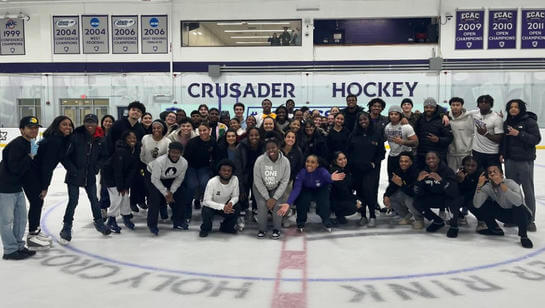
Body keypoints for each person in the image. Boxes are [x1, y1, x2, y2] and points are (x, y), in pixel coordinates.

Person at [22, 115, 73, 251]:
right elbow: (47, 166)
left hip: (35, 174)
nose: (68, 127)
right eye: (64, 124)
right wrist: (45, 187)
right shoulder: (55, 141)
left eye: (69, 124)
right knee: (37, 202)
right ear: (57, 126)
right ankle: (32, 236)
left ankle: (35, 232)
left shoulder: (58, 139)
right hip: (31, 175)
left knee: (37, 202)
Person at [59, 114, 111, 244]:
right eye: (87, 122)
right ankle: (67, 227)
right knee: (73, 201)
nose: (90, 125)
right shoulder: (75, 136)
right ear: (83, 123)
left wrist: (96, 167)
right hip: (74, 175)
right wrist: (72, 170)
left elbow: (104, 156)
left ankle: (99, 223)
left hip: (90, 175)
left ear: (96, 124)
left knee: (94, 200)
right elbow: (65, 156)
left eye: (92, 122)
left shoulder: (100, 139)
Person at [0, 116, 40, 260]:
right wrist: (29, 156)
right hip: (5, 188)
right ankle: (10, 250)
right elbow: (14, 168)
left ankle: (18, 246)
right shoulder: (17, 144)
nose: (34, 130)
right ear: (22, 130)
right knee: (6, 220)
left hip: (17, 187)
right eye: (30, 127)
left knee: (21, 219)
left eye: (36, 128)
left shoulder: (28, 143)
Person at [501, 99, 541, 232]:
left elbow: (536, 139)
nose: (513, 109)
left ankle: (530, 220)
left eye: (516, 107)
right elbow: (505, 141)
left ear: (521, 108)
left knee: (528, 191)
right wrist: (502, 154)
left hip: (524, 161)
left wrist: (518, 133)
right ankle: (514, 218)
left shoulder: (529, 121)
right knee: (512, 190)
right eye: (511, 107)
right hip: (510, 161)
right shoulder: (507, 122)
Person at [473, 165, 533, 248]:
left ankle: (524, 236)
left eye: (495, 171)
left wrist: (501, 184)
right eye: (490, 173)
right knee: (486, 204)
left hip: (523, 216)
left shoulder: (511, 183)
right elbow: (477, 204)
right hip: (505, 215)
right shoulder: (488, 187)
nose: (492, 174)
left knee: (519, 207)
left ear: (501, 174)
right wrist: (479, 185)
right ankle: (494, 229)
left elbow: (518, 202)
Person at [282, 154, 345, 232]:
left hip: (321, 189)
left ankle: (326, 221)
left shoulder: (322, 171)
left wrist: (331, 178)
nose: (309, 164)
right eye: (307, 162)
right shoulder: (302, 173)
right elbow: (296, 189)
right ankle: (301, 222)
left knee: (324, 201)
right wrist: (288, 203)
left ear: (317, 164)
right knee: (302, 201)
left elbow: (327, 177)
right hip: (307, 189)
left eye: (312, 162)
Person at [346, 112, 385, 227]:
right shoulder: (353, 135)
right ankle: (363, 215)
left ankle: (372, 215)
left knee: (369, 191)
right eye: (360, 120)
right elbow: (349, 152)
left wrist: (374, 164)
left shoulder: (376, 134)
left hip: (371, 169)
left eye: (365, 119)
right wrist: (353, 164)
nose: (363, 121)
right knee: (360, 192)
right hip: (357, 169)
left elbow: (381, 153)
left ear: (369, 120)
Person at [413, 151, 463, 238]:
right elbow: (418, 193)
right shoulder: (423, 172)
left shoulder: (447, 171)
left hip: (448, 197)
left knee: (453, 202)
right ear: (425, 161)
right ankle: (438, 221)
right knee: (417, 202)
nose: (431, 160)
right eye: (428, 158)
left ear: (439, 159)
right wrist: (418, 182)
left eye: (433, 158)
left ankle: (454, 226)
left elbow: (454, 192)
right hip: (435, 197)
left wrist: (441, 180)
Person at [147, 142, 188, 235]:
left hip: (170, 178)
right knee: (155, 198)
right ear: (169, 152)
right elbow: (155, 179)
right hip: (152, 175)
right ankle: (152, 224)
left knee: (180, 194)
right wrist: (166, 193)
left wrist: (172, 192)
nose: (175, 155)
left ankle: (178, 221)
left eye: (177, 153)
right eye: (173, 152)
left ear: (181, 153)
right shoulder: (160, 161)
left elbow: (179, 179)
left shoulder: (184, 162)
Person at [253, 137, 291, 239]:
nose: (271, 150)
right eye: (268, 148)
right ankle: (262, 229)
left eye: (273, 147)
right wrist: (267, 198)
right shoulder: (259, 160)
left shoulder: (285, 161)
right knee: (262, 206)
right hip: (260, 187)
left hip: (276, 187)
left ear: (278, 147)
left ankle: (276, 229)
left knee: (278, 205)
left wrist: (274, 198)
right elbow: (257, 180)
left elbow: (284, 182)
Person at [102, 130, 139, 233]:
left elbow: (130, 170)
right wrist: (121, 187)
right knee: (117, 197)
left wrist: (126, 186)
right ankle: (111, 220)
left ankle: (126, 216)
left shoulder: (134, 150)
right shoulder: (121, 151)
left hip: (121, 178)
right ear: (125, 139)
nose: (133, 140)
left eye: (134, 138)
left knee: (125, 197)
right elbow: (117, 170)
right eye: (130, 138)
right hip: (111, 178)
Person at [199, 160, 240, 237]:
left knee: (237, 207)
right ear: (219, 171)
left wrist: (230, 203)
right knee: (206, 210)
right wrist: (222, 207)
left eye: (229, 171)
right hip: (212, 207)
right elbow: (206, 201)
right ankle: (205, 228)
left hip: (226, 206)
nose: (226, 173)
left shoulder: (235, 179)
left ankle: (226, 227)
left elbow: (235, 196)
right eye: (224, 170)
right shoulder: (212, 182)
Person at [383, 152, 423, 228]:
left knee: (409, 199)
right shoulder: (398, 171)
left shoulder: (416, 173)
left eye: (406, 161)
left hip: (418, 198)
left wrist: (401, 184)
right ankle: (407, 216)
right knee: (391, 197)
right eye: (401, 161)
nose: (403, 163)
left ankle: (419, 219)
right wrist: (386, 196)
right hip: (407, 193)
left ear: (411, 162)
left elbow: (414, 192)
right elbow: (392, 186)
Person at [140, 119, 171, 219]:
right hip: (148, 168)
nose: (156, 130)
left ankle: (163, 208)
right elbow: (142, 154)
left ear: (163, 129)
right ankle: (153, 213)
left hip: (162, 171)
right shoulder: (145, 138)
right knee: (151, 192)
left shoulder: (167, 141)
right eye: (154, 128)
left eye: (159, 128)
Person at [183, 122, 217, 211]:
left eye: (204, 130)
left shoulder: (213, 141)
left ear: (209, 130)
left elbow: (216, 156)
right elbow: (185, 158)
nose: (202, 132)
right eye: (200, 130)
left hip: (204, 167)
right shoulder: (192, 142)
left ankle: (204, 204)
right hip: (191, 167)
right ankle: (187, 208)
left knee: (205, 184)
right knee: (192, 185)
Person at [233, 127, 262, 227]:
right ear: (248, 136)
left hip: (258, 174)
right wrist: (240, 184)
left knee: (257, 193)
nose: (254, 137)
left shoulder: (263, 146)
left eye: (256, 135)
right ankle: (242, 211)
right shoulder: (241, 147)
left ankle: (256, 210)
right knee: (243, 193)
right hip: (244, 173)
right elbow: (238, 167)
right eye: (251, 135)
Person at [414, 98, 453, 169]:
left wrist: (438, 140)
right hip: (422, 156)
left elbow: (450, 138)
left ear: (435, 108)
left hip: (438, 157)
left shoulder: (443, 120)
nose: (429, 109)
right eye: (426, 107)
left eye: (431, 107)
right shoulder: (420, 119)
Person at [384, 105, 418, 178]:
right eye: (391, 114)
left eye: (396, 114)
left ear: (400, 115)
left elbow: (415, 143)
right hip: (392, 157)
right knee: (392, 181)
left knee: (406, 181)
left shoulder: (406, 127)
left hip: (405, 157)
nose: (393, 116)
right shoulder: (387, 127)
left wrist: (403, 142)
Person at [471, 95, 504, 169]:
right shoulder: (474, 114)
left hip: (492, 154)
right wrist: (445, 115)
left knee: (494, 177)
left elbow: (499, 138)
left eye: (486, 102)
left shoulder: (497, 118)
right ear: (478, 104)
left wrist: (486, 134)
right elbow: (460, 112)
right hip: (477, 152)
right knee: (478, 176)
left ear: (491, 104)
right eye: (481, 102)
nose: (483, 104)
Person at [329, 152, 361, 225]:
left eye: (344, 158)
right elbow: (343, 192)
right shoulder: (337, 172)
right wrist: (355, 200)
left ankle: (339, 214)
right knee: (354, 207)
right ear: (335, 161)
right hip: (335, 200)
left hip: (340, 198)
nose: (343, 161)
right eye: (340, 159)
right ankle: (337, 214)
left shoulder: (345, 169)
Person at [447, 97, 474, 172]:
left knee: (466, 175)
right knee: (451, 175)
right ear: (450, 106)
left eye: (458, 105)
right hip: (451, 154)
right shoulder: (446, 117)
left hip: (466, 153)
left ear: (462, 106)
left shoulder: (470, 117)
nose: (455, 107)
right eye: (453, 105)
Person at [99, 115, 115, 215]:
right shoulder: (98, 134)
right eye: (106, 121)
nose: (108, 123)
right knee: (104, 186)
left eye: (110, 121)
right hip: (104, 165)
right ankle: (103, 208)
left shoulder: (115, 134)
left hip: (115, 164)